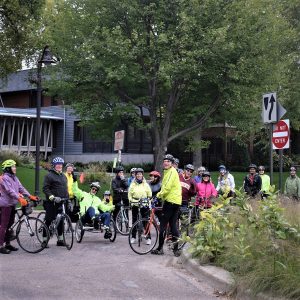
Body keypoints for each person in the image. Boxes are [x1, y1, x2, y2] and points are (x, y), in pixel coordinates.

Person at [0, 159, 36, 254]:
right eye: (13, 166)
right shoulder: (4, 178)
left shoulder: (14, 178)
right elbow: (9, 191)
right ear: (8, 168)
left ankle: (7, 244)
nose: (15, 168)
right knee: (4, 225)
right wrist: (19, 198)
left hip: (12, 204)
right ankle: (0, 246)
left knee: (10, 224)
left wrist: (29, 196)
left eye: (15, 166)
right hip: (5, 205)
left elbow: (21, 188)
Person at [151, 154, 182, 256]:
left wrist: (157, 196)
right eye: (165, 161)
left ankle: (160, 249)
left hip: (170, 201)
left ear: (172, 163)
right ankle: (176, 250)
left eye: (168, 161)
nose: (166, 162)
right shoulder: (169, 171)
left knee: (163, 225)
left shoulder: (171, 172)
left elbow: (167, 188)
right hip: (175, 201)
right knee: (173, 225)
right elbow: (166, 187)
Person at [43, 156, 69, 247]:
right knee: (49, 220)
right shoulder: (49, 175)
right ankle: (44, 241)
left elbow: (65, 189)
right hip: (52, 202)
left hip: (62, 202)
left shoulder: (63, 176)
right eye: (57, 165)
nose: (59, 166)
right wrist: (52, 197)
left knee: (61, 221)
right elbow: (45, 188)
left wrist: (68, 200)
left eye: (61, 165)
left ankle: (60, 240)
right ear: (54, 166)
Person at [128, 168, 152, 245]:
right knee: (134, 221)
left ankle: (148, 237)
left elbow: (150, 195)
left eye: (140, 174)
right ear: (135, 175)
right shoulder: (132, 184)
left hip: (144, 204)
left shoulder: (146, 184)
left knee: (145, 221)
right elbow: (129, 195)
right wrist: (131, 201)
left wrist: (147, 200)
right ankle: (133, 237)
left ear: (142, 175)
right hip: (135, 204)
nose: (139, 175)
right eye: (137, 174)